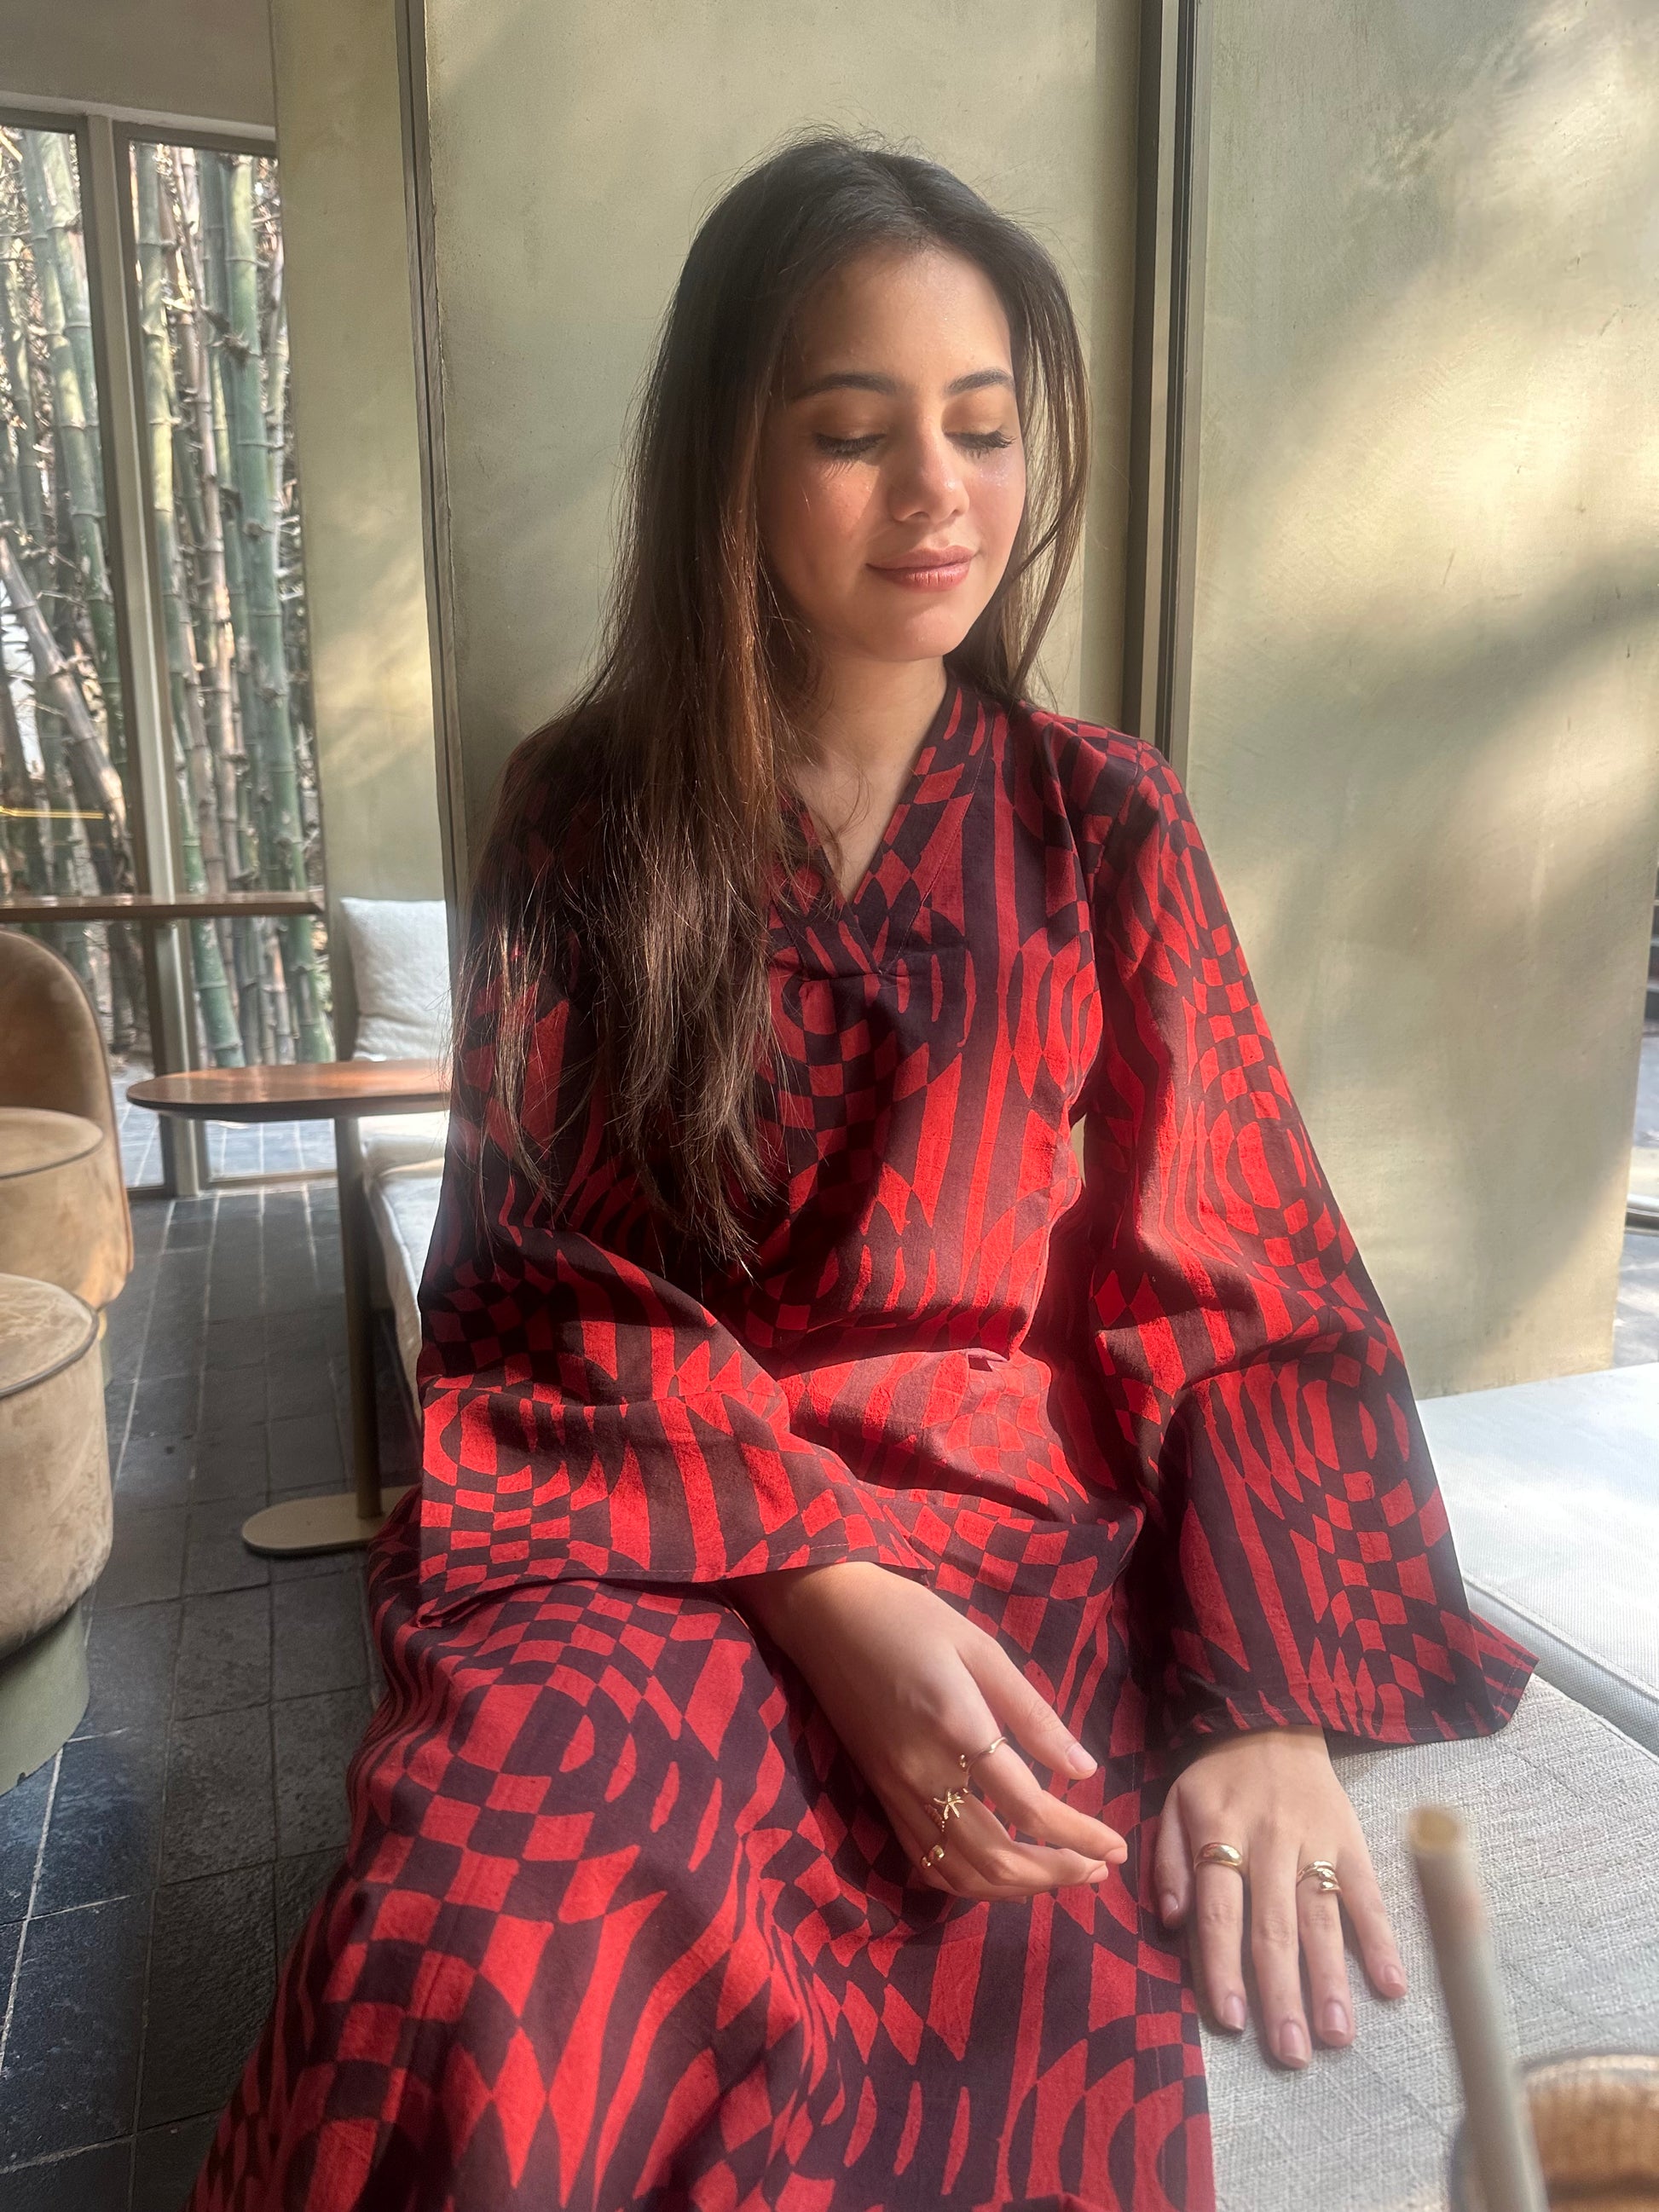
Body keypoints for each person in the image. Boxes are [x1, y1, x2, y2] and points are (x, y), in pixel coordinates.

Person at [188, 133, 1535, 2212]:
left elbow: (1239, 1268)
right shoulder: (584, 813)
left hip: (1003, 1538)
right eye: (852, 431)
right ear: (728, 456)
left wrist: (1263, 1698)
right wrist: (819, 1588)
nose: (937, 493)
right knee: (474, 1936)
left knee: (986, 2021)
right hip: (653, 1536)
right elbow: (535, 1278)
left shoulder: (1102, 821)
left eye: (981, 427)